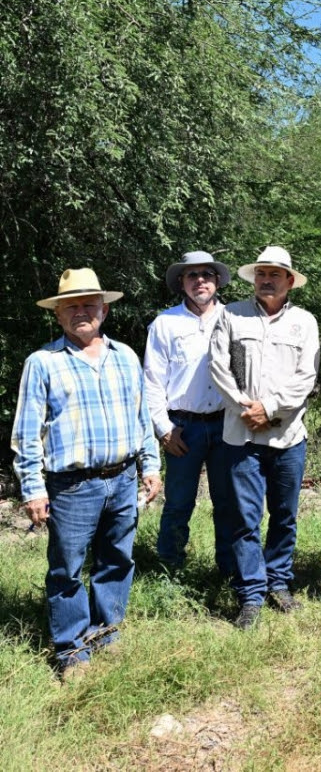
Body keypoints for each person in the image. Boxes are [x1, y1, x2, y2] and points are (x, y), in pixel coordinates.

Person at [11, 268, 162, 679]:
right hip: (72, 486)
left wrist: (150, 465)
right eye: (71, 305)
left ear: (104, 310)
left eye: (89, 304)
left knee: (117, 559)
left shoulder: (126, 356)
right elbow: (27, 434)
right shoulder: (42, 363)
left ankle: (106, 633)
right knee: (67, 568)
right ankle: (71, 648)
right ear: (58, 314)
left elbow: (141, 418)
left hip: (123, 477)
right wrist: (33, 489)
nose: (81, 311)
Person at [209, 246, 320, 629]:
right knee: (245, 518)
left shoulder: (305, 322)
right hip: (241, 437)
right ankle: (251, 595)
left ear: (290, 281)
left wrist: (269, 408)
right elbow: (217, 366)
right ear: (254, 278)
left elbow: (307, 377)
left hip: (287, 436)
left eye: (275, 274)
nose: (267, 279)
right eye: (261, 273)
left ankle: (279, 582)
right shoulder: (230, 315)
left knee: (285, 516)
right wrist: (246, 407)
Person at [144, 251, 235, 576]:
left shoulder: (233, 318)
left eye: (206, 275)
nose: (200, 281)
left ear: (217, 281)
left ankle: (229, 570)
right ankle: (170, 570)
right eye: (192, 275)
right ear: (181, 283)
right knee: (179, 502)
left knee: (228, 503)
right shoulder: (165, 323)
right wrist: (164, 429)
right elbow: (152, 382)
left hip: (227, 425)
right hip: (183, 427)